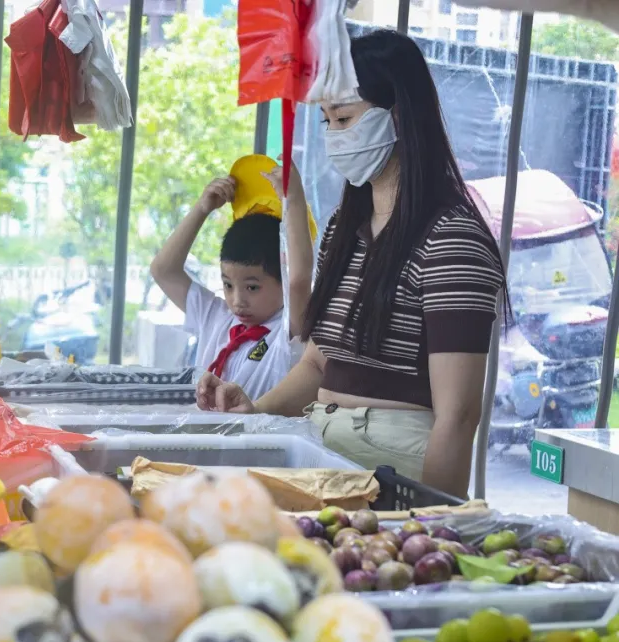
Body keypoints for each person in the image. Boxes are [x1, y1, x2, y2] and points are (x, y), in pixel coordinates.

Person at [197, 30, 507, 498]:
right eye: (325, 120)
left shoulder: (452, 240)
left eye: (344, 118)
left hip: (396, 470)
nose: (333, 137)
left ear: (398, 116)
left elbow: (459, 414)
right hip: (323, 451)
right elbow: (319, 363)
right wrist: (257, 410)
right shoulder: (347, 225)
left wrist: (433, 518)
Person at [150, 160, 314, 400]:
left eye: (252, 287)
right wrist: (202, 209)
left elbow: (299, 280)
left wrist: (294, 199)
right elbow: (163, 270)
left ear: (283, 279)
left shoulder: (288, 332)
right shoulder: (217, 318)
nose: (237, 301)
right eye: (228, 285)